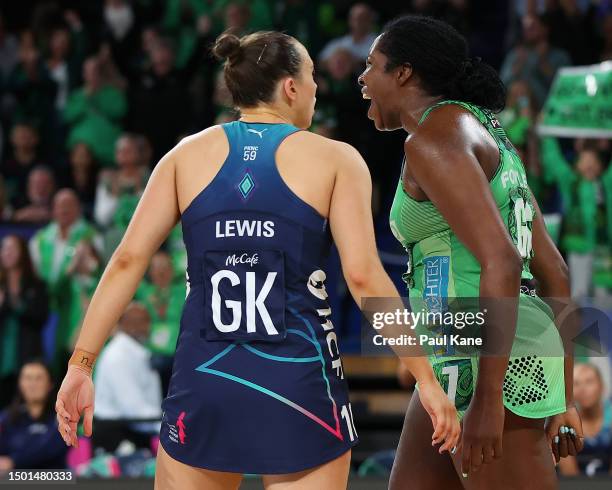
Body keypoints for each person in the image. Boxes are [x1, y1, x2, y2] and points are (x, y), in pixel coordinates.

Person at [55, 30, 459, 489]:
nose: (315, 88)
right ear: (290, 86)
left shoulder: (184, 155)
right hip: (299, 384)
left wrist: (80, 365)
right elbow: (365, 277)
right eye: (311, 77)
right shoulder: (335, 158)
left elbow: (127, 261)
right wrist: (425, 377)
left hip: (205, 380)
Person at [358, 15, 583, 488]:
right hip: (456, 352)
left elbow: (502, 261)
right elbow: (554, 272)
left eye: (372, 66)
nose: (362, 79)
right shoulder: (485, 130)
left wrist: (486, 401)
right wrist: (564, 397)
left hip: (488, 363)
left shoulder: (435, 138)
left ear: (403, 73)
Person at [93, 302, 162, 452]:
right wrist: (168, 423)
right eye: (135, 321)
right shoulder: (118, 356)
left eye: (146, 321)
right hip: (115, 434)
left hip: (135, 429)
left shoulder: (140, 352)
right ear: (122, 324)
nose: (143, 327)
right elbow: (133, 408)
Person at [0, 235, 49, 409]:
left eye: (12, 248)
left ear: (23, 253)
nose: (7, 253)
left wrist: (15, 303)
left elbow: (41, 318)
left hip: (26, 357)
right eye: (4, 248)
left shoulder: (36, 285)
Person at [0, 361, 67, 471]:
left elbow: (50, 449)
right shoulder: (7, 418)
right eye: (27, 378)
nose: (32, 384)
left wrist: (13, 461)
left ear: (50, 384)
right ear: (19, 384)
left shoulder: (61, 417)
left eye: (39, 378)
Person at [559, 363, 612, 476]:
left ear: (601, 386)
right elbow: (570, 476)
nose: (583, 389)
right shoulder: (563, 423)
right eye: (576, 383)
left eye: (589, 382)